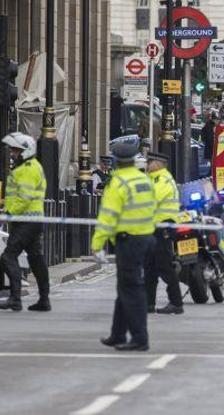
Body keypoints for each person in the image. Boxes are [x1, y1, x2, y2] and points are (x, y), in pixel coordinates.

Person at [92, 135, 157, 351]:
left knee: (131, 288)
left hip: (128, 240)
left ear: (116, 161)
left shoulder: (118, 183)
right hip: (147, 238)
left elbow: (107, 217)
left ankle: (140, 338)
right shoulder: (144, 180)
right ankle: (118, 334)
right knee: (125, 287)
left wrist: (97, 245)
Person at [0, 133, 51, 312]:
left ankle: (15, 298)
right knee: (36, 259)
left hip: (25, 219)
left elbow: (24, 197)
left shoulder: (27, 168)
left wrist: (10, 211)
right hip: (32, 219)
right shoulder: (31, 166)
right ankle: (44, 300)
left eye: (16, 150)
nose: (12, 153)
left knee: (8, 256)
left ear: (26, 151)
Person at [144, 152, 184, 315]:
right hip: (154, 227)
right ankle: (148, 304)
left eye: (150, 162)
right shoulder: (154, 178)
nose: (147, 165)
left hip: (164, 227)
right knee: (150, 268)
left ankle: (176, 303)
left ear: (158, 164)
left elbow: (152, 198)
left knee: (164, 266)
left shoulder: (162, 179)